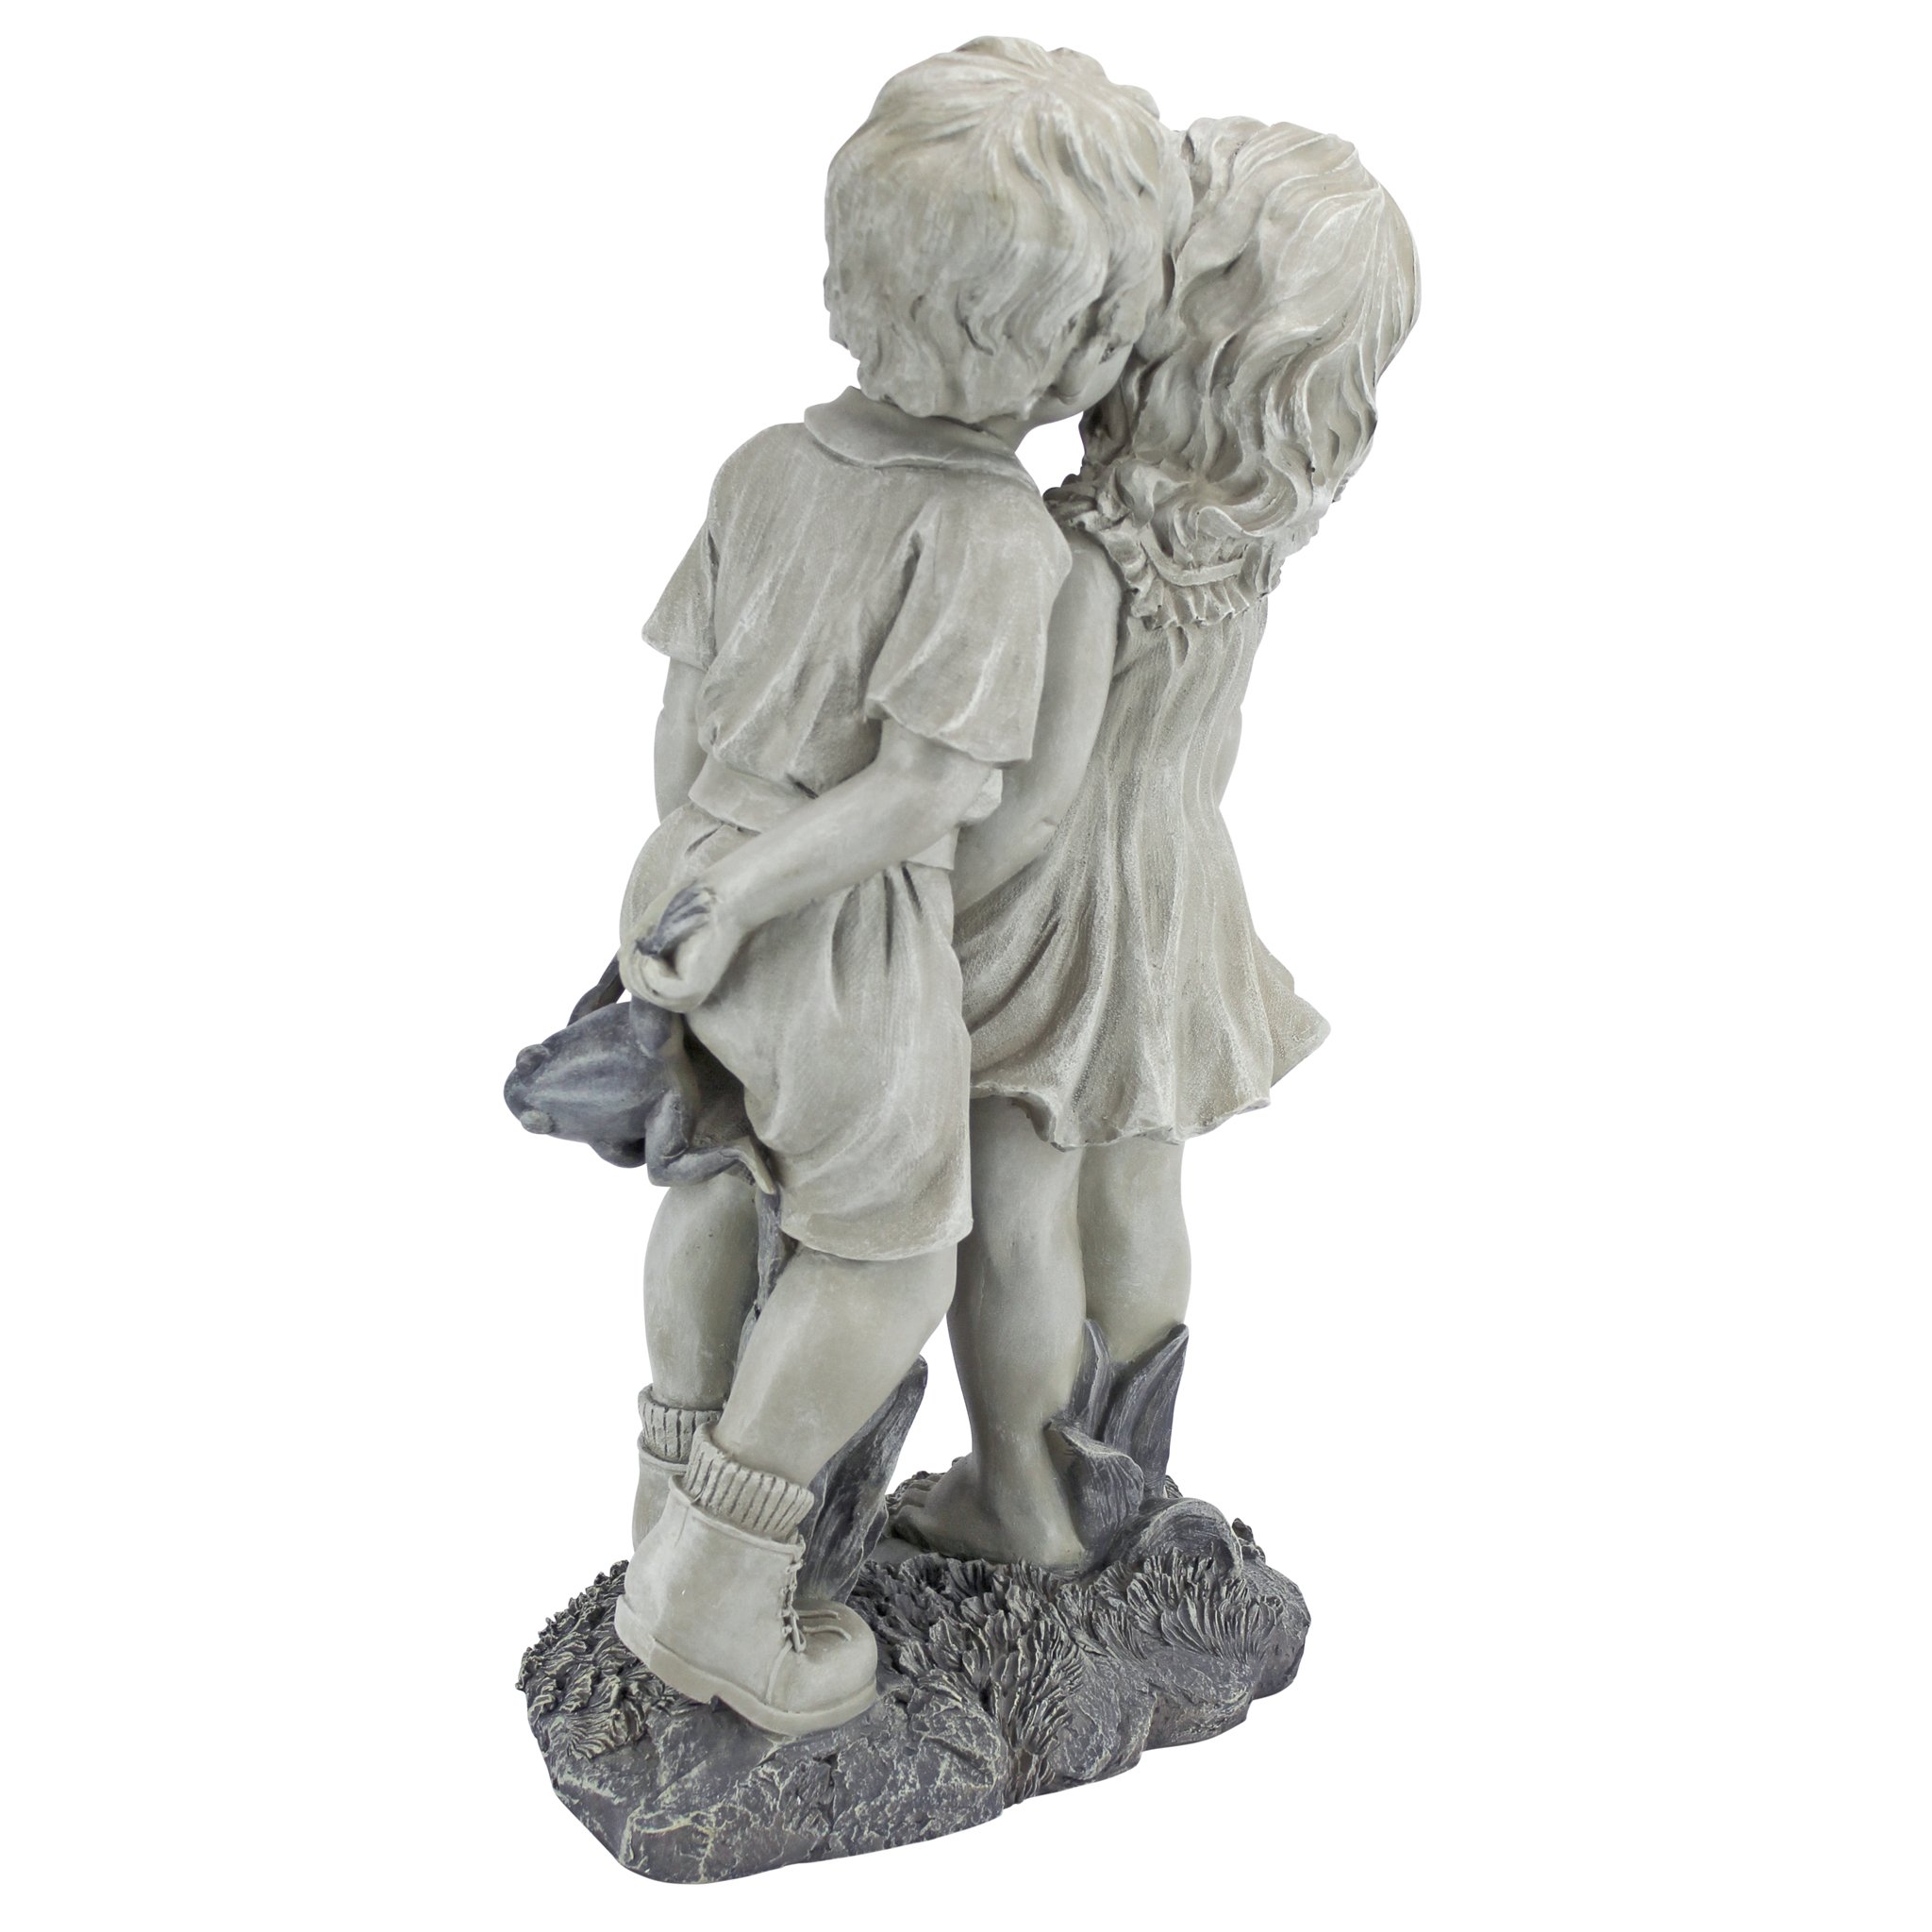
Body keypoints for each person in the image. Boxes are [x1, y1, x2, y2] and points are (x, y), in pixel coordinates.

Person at [610, 39, 1187, 1733]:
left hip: (689, 863)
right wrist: (765, 899)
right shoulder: (999, 538)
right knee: (882, 1263)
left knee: (718, 1183)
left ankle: (667, 1503)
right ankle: (719, 1591)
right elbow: (929, 788)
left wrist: (695, 878)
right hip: (842, 928)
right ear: (1076, 347)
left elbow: (684, 708)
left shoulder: (764, 467)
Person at [896, 117, 1420, 1568]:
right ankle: (1122, 1474)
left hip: (1054, 913)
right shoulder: (1243, 550)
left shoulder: (1083, 555)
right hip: (1179, 887)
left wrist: (926, 915)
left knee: (1014, 1211)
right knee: (1138, 1185)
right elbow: (1208, 750)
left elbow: (1036, 798)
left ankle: (1023, 1502)